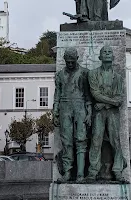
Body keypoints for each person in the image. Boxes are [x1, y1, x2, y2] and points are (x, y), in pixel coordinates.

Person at [86, 45, 127, 181]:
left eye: (110, 52)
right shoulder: (93, 74)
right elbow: (95, 94)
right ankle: (93, 171)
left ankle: (118, 170)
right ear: (100, 57)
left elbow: (119, 99)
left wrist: (104, 103)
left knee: (116, 141)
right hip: (98, 114)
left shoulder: (119, 78)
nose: (108, 54)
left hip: (112, 113)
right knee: (96, 140)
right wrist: (111, 102)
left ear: (113, 57)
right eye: (105, 52)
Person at [53, 47, 92, 182]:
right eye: (68, 62)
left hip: (81, 107)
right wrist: (55, 111)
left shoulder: (84, 73)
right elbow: (57, 95)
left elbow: (88, 96)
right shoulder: (59, 75)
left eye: (72, 62)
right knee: (66, 141)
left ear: (77, 59)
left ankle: (80, 174)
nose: (70, 64)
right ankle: (68, 172)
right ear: (64, 60)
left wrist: (89, 112)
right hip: (65, 108)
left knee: (81, 140)